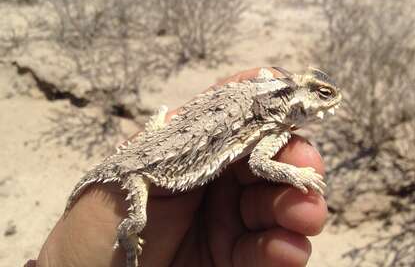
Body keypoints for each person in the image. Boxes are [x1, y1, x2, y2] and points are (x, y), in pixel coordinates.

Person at [27, 68, 328, 267]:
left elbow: (262, 77)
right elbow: (260, 164)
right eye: (323, 95)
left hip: (160, 142)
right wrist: (296, 174)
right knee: (138, 220)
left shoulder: (271, 110)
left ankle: (157, 129)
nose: (327, 101)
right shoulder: (273, 123)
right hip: (143, 170)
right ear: (298, 104)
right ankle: (127, 239)